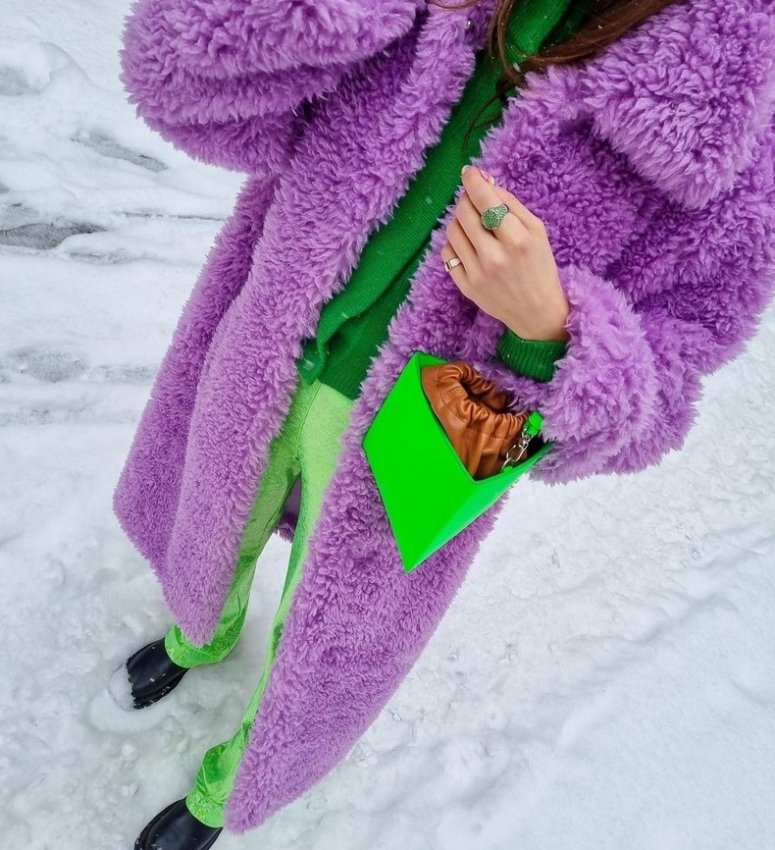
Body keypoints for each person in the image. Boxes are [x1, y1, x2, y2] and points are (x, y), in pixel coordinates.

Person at [113, 0, 775, 846]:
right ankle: (198, 632)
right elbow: (179, 74)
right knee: (214, 514)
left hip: (449, 424)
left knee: (327, 633)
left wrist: (551, 332)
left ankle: (229, 786)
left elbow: (665, 391)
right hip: (271, 337)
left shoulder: (731, 118)